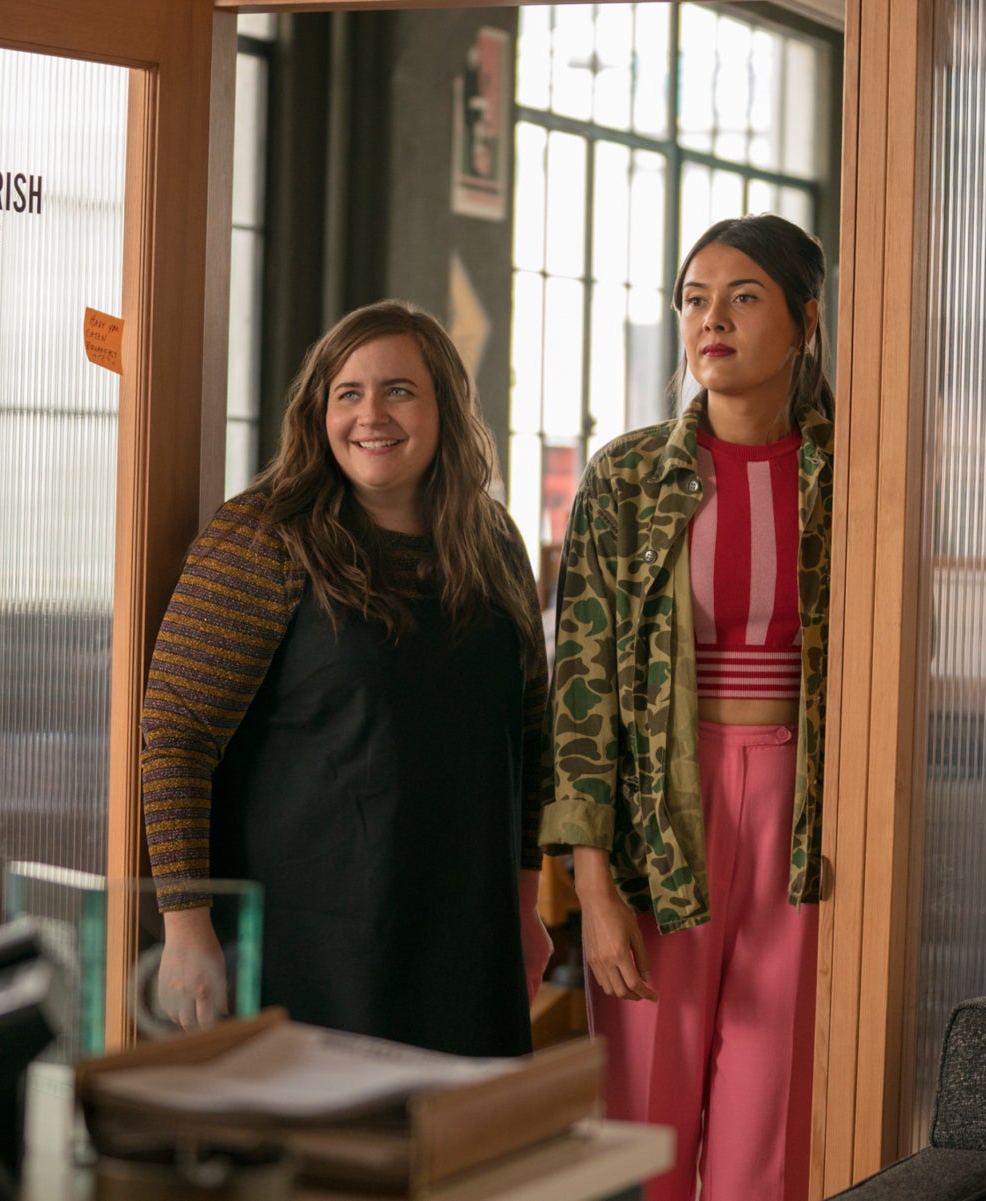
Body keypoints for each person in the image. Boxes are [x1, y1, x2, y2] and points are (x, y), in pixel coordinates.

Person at [140, 300, 553, 1058]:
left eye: (399, 390)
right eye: (349, 393)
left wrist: (525, 907)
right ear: (318, 411)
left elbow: (529, 737)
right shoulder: (263, 538)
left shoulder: (493, 541)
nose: (373, 414)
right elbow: (175, 734)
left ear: (445, 411)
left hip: (468, 941)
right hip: (312, 952)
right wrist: (186, 924)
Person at [539, 214, 834, 1200]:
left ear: (804, 321)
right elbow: (578, 701)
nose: (713, 319)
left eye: (744, 297)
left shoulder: (852, 475)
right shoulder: (626, 477)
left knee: (771, 1126)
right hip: (657, 821)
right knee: (646, 1125)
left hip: (804, 828)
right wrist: (592, 889)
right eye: (694, 298)